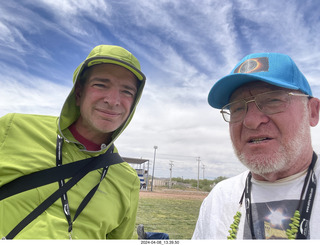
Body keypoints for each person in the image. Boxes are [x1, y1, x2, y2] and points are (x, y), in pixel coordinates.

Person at [0, 45, 146, 239]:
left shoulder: (128, 180)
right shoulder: (13, 128)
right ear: (78, 93)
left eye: (127, 92)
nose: (113, 100)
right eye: (101, 85)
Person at [192, 53, 320, 240]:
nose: (251, 121)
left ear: (312, 112)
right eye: (237, 108)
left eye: (273, 100)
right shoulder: (219, 199)